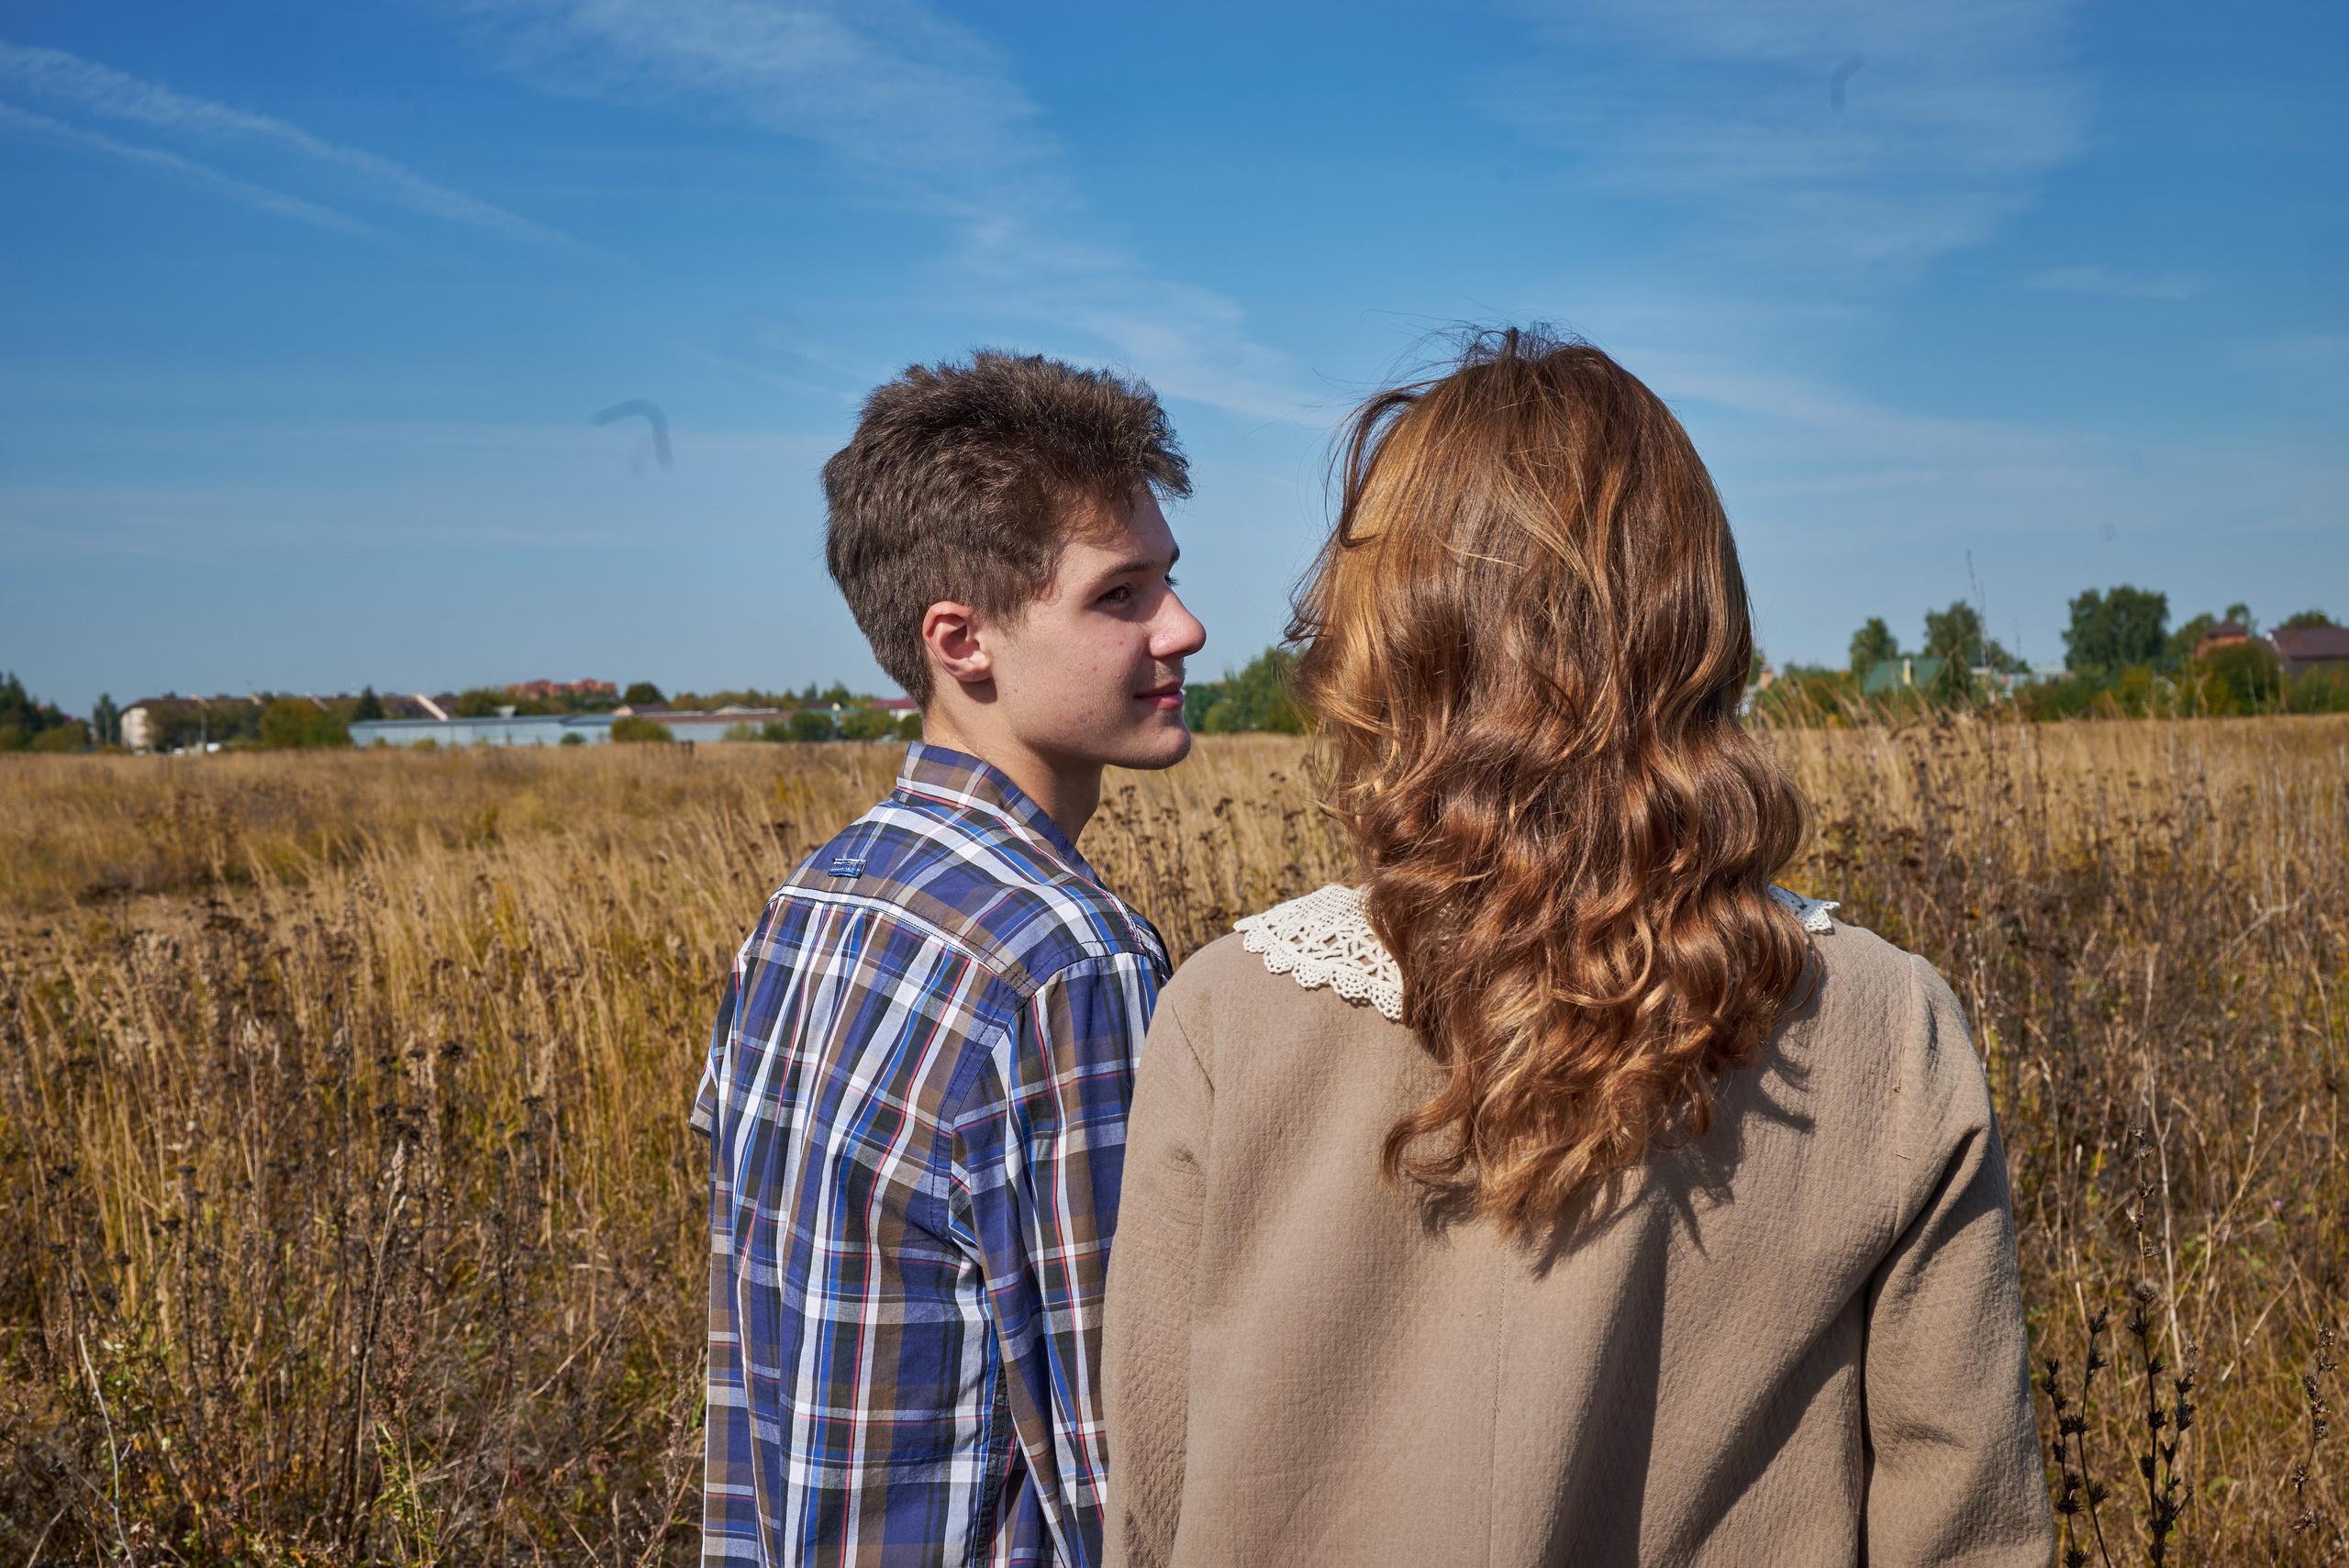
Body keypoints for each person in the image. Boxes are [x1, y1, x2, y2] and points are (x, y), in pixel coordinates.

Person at [1100, 330, 2054, 1567]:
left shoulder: (1226, 1014)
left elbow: (1152, 1505)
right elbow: (1968, 1525)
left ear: (1389, 638)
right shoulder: (1885, 1024)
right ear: (1696, 617)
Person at [696, 350, 1207, 1566]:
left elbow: (747, 1378)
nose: (1185, 626)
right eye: (1120, 595)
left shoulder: (808, 905)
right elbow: (1123, 1463)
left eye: (1168, 579)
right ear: (961, 640)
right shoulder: (1067, 966)